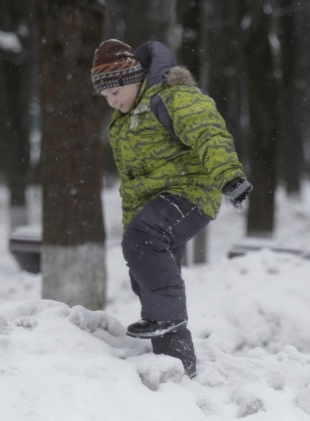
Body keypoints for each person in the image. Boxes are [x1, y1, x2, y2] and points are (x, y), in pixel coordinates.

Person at [91, 39, 251, 379]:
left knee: (144, 244)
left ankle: (167, 319)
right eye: (105, 96)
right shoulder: (125, 119)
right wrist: (133, 232)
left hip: (191, 192)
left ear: (134, 78)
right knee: (149, 280)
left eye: (115, 91)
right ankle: (178, 369)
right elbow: (136, 184)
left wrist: (230, 177)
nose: (112, 100)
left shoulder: (173, 96)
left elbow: (208, 132)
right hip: (156, 203)